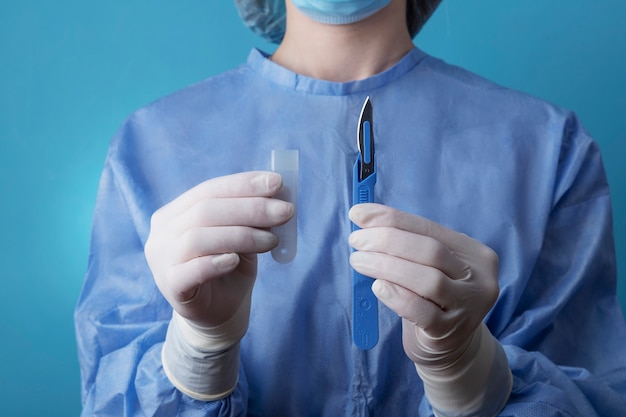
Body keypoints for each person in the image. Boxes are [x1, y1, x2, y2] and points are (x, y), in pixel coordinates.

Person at [75, 0, 626, 415]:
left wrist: (469, 373)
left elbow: (590, 393)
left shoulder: (547, 148)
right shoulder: (154, 145)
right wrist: (199, 351)